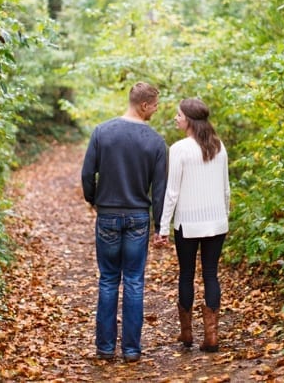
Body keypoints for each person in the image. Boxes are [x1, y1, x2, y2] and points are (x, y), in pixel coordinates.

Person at [80, 82, 167, 363]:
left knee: (107, 280)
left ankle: (105, 348)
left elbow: (86, 175)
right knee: (133, 281)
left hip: (108, 214)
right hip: (138, 217)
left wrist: (95, 201)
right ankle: (131, 350)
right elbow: (160, 190)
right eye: (154, 105)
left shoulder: (102, 132)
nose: (155, 110)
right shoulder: (155, 141)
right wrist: (158, 226)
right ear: (144, 105)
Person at [156, 98, 230, 353]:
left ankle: (187, 334)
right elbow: (226, 189)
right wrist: (225, 217)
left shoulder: (178, 149)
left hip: (187, 223)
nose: (176, 118)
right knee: (211, 274)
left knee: (186, 274)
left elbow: (172, 192)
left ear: (189, 119)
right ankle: (211, 336)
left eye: (178, 115)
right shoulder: (219, 146)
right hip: (216, 221)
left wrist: (163, 227)